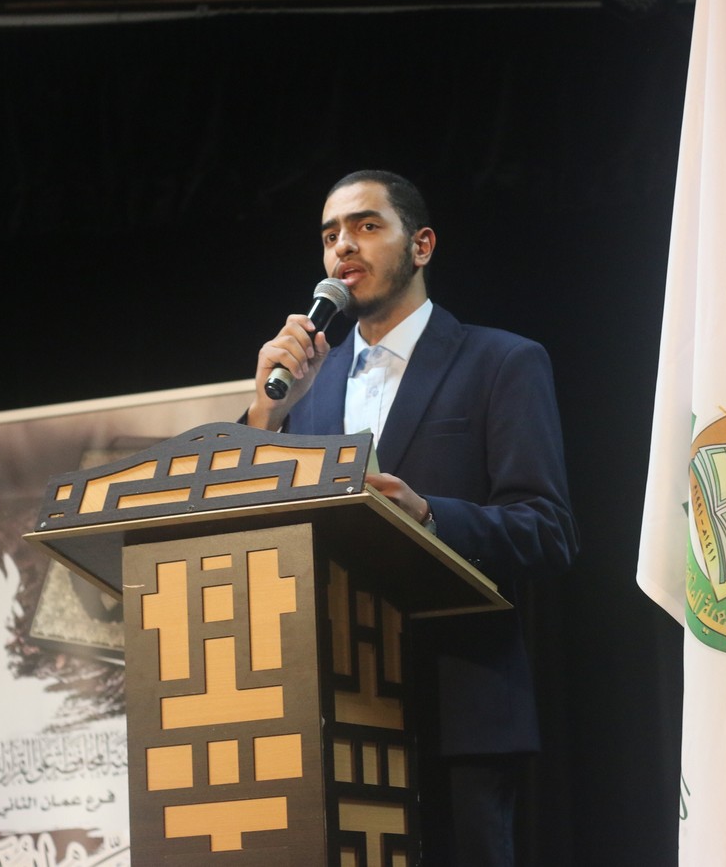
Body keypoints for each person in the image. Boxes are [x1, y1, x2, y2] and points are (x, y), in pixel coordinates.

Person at [244, 169, 578, 866]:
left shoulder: (501, 361)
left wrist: (427, 515)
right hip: (334, 714)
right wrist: (266, 413)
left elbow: (547, 530)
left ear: (422, 245)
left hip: (460, 708)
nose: (343, 246)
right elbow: (251, 523)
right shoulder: (307, 389)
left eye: (367, 226)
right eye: (330, 235)